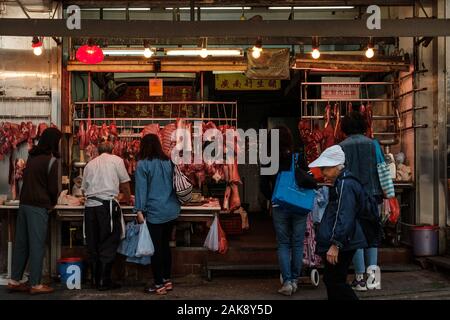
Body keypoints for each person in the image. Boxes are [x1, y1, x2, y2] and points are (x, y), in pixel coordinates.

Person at [260, 126, 317, 296]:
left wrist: (273, 197)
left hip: (280, 206)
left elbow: (263, 185)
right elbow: (309, 179)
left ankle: (287, 282)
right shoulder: (298, 156)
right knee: (297, 243)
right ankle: (294, 279)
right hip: (299, 205)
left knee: (283, 243)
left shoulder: (268, 159)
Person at [309, 145, 368, 300]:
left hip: (341, 243)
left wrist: (336, 244)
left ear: (336, 167)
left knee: (334, 281)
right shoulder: (343, 183)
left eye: (325, 169)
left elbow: (345, 215)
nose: (322, 173)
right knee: (333, 281)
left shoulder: (345, 185)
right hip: (344, 240)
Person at [8, 127, 62, 295]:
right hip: (38, 206)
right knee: (37, 244)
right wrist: (52, 203)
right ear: (54, 142)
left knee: (22, 243)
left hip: (24, 204)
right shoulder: (52, 161)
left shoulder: (32, 156)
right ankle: (36, 284)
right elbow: (54, 189)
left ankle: (14, 280)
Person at [340, 111, 383, 291]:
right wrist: (389, 194)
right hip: (373, 196)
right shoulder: (373, 145)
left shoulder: (341, 147)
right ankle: (373, 280)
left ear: (345, 128)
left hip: (351, 197)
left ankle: (359, 280)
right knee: (372, 236)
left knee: (356, 238)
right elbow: (382, 168)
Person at [134, 134, 180, 295]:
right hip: (171, 211)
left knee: (156, 249)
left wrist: (139, 210)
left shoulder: (142, 164)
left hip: (155, 211)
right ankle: (167, 281)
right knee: (166, 246)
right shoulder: (169, 161)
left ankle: (159, 284)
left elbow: (141, 190)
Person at [82, 140, 131, 291]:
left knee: (93, 242)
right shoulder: (117, 161)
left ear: (98, 150)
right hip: (106, 206)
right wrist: (127, 198)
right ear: (113, 150)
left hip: (90, 207)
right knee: (108, 240)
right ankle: (104, 281)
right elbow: (124, 184)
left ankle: (95, 280)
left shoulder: (90, 164)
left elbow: (84, 190)